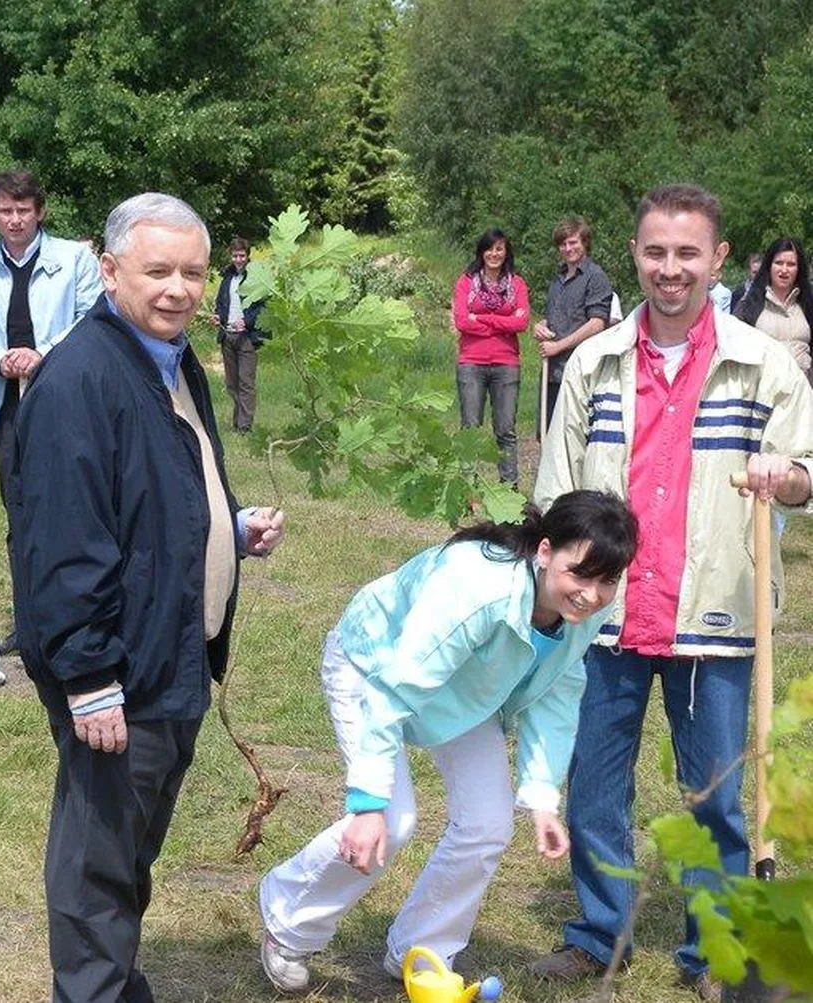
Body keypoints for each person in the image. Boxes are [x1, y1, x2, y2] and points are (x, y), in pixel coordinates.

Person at [530, 184, 813, 1002]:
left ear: (719, 260)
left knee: (718, 797)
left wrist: (785, 476)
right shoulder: (594, 361)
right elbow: (556, 489)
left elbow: (807, 473)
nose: (670, 268)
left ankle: (716, 951)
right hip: (606, 616)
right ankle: (597, 933)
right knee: (594, 785)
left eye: (688, 253)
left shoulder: (765, 365)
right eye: (656, 251)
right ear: (636, 254)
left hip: (716, 611)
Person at [10, 192, 285, 1003]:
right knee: (99, 853)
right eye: (157, 270)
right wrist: (91, 676)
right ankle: (93, 990)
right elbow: (63, 545)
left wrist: (228, 529)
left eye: (193, 272)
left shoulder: (168, 360)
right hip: (118, 665)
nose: (178, 289)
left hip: (172, 653)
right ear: (109, 270)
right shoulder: (81, 380)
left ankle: (114, 980)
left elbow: (151, 494)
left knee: (132, 843)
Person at [259, 491, 638, 994]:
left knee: (488, 822)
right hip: (374, 666)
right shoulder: (476, 588)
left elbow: (558, 692)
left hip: (467, 688)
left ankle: (423, 949)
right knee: (392, 820)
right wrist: (369, 802)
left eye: (607, 580)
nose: (591, 594)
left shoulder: (582, 612)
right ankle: (289, 924)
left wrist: (543, 798)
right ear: (545, 551)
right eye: (580, 574)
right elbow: (397, 687)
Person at [0, 168, 104, 654]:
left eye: (23, 210)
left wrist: (45, 355)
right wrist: (0, 358)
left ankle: (79, 620)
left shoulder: (76, 259)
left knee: (75, 512)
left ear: (39, 212)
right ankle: (28, 626)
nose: (14, 219)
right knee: (19, 517)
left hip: (66, 405)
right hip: (9, 407)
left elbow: (92, 320)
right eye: (5, 211)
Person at [451, 228, 530, 485]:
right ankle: (468, 489)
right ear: (481, 252)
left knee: (505, 430)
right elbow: (462, 321)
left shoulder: (517, 284)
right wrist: (503, 321)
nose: (494, 254)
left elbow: (522, 323)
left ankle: (509, 488)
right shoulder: (466, 282)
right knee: (470, 428)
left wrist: (482, 318)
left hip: (506, 364)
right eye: (489, 248)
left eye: (499, 249)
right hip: (471, 363)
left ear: (506, 252)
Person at [532, 217, 613, 427]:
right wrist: (541, 326)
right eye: (563, 244)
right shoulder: (557, 279)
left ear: (585, 243)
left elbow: (597, 323)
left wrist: (558, 346)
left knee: (573, 438)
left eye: (573, 242)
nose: (567, 248)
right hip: (552, 371)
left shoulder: (596, 277)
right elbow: (557, 318)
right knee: (548, 435)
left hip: (579, 371)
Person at [733, 237, 813, 379]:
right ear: (769, 266)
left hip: (804, 392)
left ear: (799, 269)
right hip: (762, 392)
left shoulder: (808, 304)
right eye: (779, 263)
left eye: (791, 264)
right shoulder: (749, 305)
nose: (784, 269)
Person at [212, 237, 267, 433]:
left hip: (247, 338)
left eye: (242, 255)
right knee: (232, 383)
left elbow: (262, 307)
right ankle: (237, 421)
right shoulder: (227, 278)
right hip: (227, 336)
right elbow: (220, 302)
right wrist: (218, 316)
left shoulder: (256, 278)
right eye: (235, 255)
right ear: (231, 256)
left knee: (246, 382)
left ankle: (245, 426)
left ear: (248, 256)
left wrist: (247, 321)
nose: (238, 259)